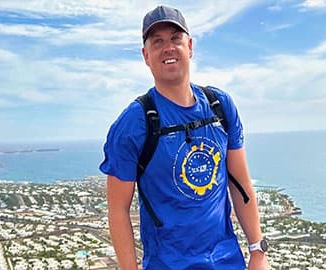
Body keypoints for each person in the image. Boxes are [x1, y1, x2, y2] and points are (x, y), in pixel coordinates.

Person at [100, 5, 268, 270]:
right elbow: (118, 209)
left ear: (189, 46)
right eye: (158, 41)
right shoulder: (134, 123)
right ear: (146, 55)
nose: (168, 47)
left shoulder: (219, 107)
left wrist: (258, 251)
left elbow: (240, 183)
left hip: (228, 261)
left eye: (175, 39)